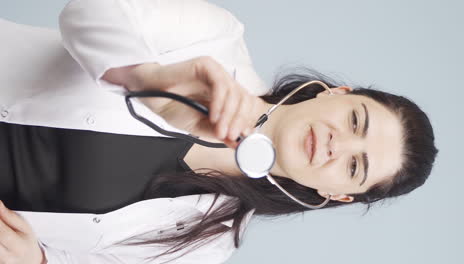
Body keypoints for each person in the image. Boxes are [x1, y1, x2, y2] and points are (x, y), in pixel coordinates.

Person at [0, 0, 438, 263]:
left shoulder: (207, 245)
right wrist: (149, 78)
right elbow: (89, 11)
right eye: (355, 121)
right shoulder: (219, 40)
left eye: (354, 165)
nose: (334, 144)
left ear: (338, 195)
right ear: (335, 93)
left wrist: (36, 260)